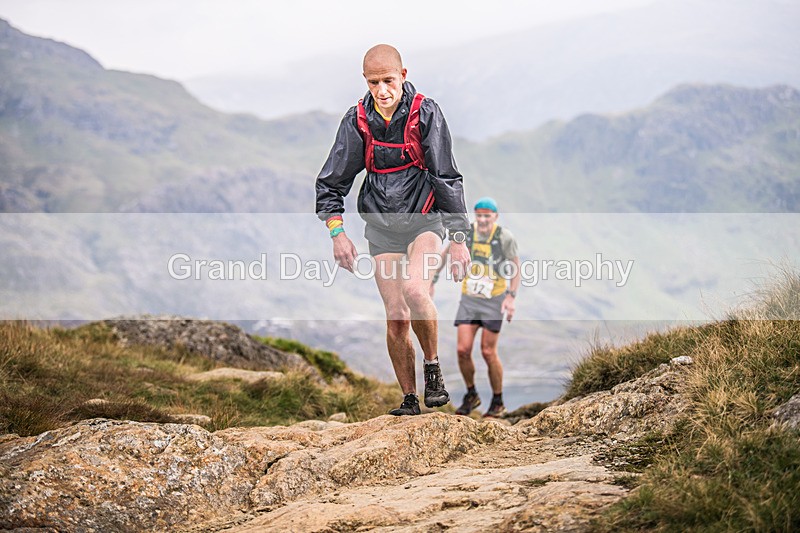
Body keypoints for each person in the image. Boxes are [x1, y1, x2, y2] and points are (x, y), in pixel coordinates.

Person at [315, 44, 471, 416]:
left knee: (416, 291)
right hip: (381, 227)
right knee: (397, 316)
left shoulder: (425, 112)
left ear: (403, 75)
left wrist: (459, 239)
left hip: (424, 220)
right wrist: (337, 233)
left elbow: (446, 176)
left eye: (388, 80)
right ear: (365, 81)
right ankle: (409, 399)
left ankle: (432, 368)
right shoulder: (357, 120)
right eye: (373, 83)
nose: (382, 90)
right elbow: (331, 183)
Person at [432, 197, 520, 418]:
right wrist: (432, 280)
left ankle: (498, 401)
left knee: (488, 352)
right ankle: (471, 394)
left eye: (487, 216)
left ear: (495, 217)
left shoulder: (504, 238)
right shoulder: (466, 233)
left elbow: (516, 267)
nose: (482, 220)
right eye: (479, 215)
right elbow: (446, 253)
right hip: (470, 300)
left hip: (494, 300)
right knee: (463, 350)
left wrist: (510, 297)